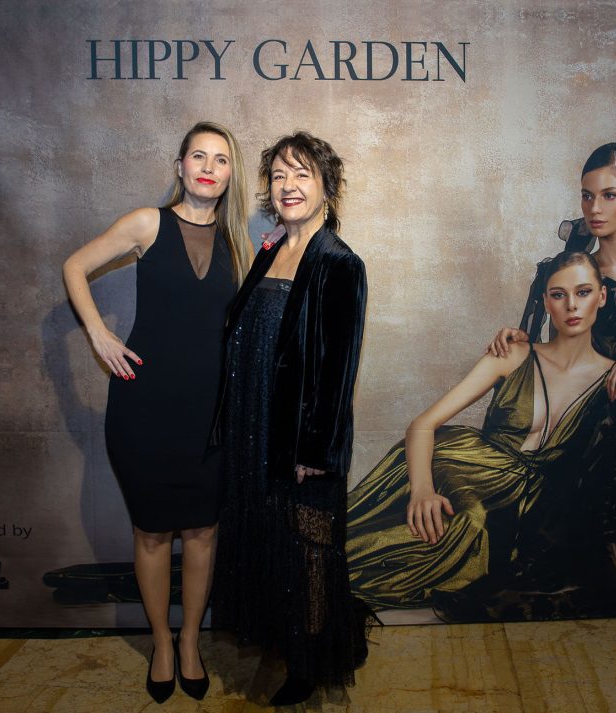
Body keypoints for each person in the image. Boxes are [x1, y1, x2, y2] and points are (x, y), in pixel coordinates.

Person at [62, 122, 252, 703]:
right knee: (150, 535)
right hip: (143, 411)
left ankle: (190, 641)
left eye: (221, 160)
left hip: (210, 416)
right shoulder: (148, 223)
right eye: (199, 156)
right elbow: (74, 266)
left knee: (201, 532)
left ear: (230, 175)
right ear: (180, 165)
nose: (208, 168)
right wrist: (98, 334)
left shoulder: (239, 243)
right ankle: (162, 644)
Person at [346, 251, 615, 615]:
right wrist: (422, 491)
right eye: (558, 294)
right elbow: (422, 424)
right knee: (444, 525)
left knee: (474, 530)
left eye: (583, 292)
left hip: (524, 504)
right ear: (546, 301)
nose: (571, 305)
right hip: (460, 469)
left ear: (602, 296)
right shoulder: (513, 354)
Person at [488, 143, 616, 612]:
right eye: (587, 196)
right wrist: (518, 337)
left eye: (610, 195)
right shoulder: (577, 272)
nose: (595, 208)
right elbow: (551, 349)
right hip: (589, 409)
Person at [211, 131, 367, 706]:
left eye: (302, 174)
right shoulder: (270, 251)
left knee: (310, 553)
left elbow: (338, 369)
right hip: (255, 430)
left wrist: (315, 452)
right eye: (279, 175)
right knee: (272, 543)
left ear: (328, 187)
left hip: (300, 443)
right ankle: (282, 641)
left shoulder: (340, 264)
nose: (288, 185)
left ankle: (310, 663)